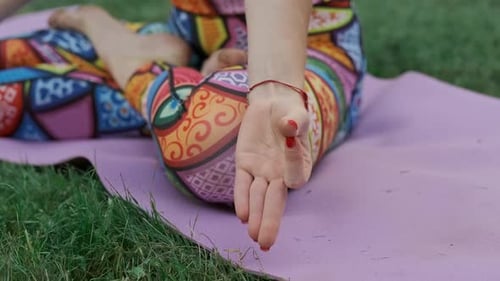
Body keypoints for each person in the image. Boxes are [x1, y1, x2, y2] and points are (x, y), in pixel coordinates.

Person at [0, 0, 365, 251]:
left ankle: (124, 51)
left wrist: (273, 87)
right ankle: (176, 76)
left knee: (219, 146)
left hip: (308, 55)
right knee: (8, 86)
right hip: (192, 41)